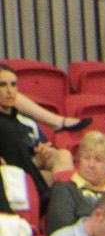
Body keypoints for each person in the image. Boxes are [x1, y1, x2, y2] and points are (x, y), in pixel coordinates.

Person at [0, 63, 69, 203]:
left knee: (63, 155)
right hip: (12, 179)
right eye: (3, 85)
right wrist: (35, 162)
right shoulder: (3, 125)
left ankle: (63, 206)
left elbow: (44, 146)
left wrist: (46, 152)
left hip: (35, 174)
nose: (10, 90)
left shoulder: (26, 119)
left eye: (13, 85)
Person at [44, 130, 105, 234]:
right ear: (79, 160)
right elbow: (61, 231)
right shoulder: (64, 189)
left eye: (98, 160)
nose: (91, 164)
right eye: (86, 157)